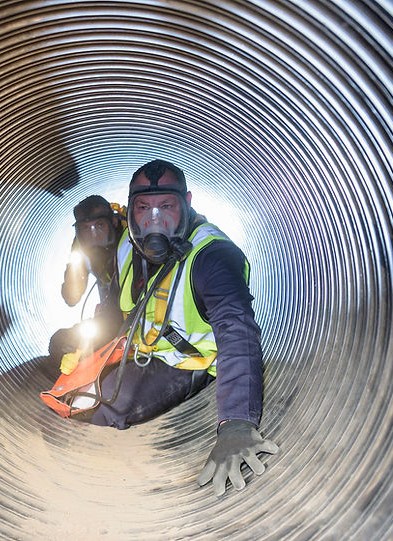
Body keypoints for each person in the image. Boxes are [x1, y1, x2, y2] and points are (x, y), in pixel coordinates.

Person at [83, 159, 278, 496]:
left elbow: (238, 334)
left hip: (188, 364)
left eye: (167, 206)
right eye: (143, 207)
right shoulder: (127, 245)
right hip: (144, 349)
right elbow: (117, 310)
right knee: (80, 385)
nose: (153, 219)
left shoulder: (212, 256)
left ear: (187, 204)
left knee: (109, 406)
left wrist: (236, 423)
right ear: (129, 211)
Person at [48, 196, 125, 370]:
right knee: (60, 342)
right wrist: (77, 262)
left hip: (140, 313)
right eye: (85, 229)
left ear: (113, 222)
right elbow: (71, 297)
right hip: (110, 316)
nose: (93, 234)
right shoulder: (81, 249)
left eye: (100, 225)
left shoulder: (132, 236)